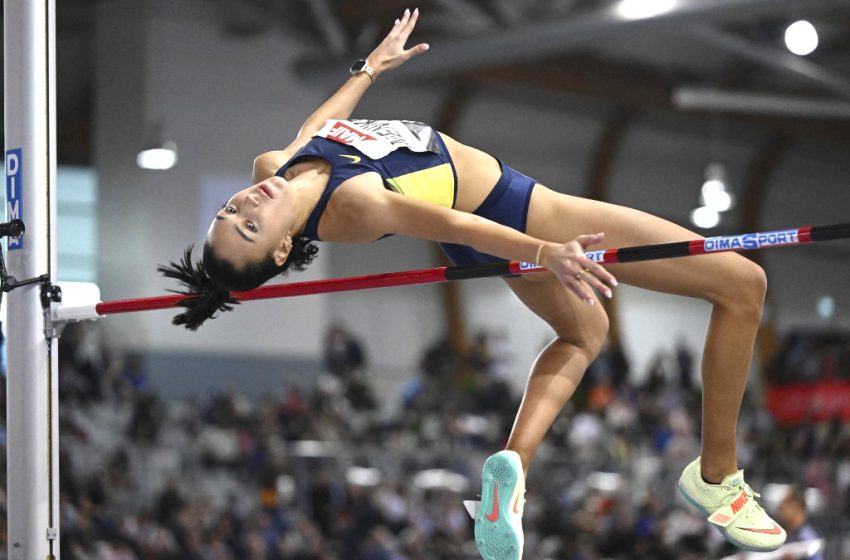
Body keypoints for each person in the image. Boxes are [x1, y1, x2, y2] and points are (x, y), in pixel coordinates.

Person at [159, 9, 784, 559]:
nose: (243, 206)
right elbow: (454, 221)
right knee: (742, 284)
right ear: (281, 247)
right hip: (516, 212)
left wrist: (369, 68)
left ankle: (513, 467)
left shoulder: (275, 167)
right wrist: (546, 249)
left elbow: (317, 127)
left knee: (584, 332)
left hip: (482, 221)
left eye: (228, 213)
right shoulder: (356, 205)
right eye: (247, 227)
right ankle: (716, 475)